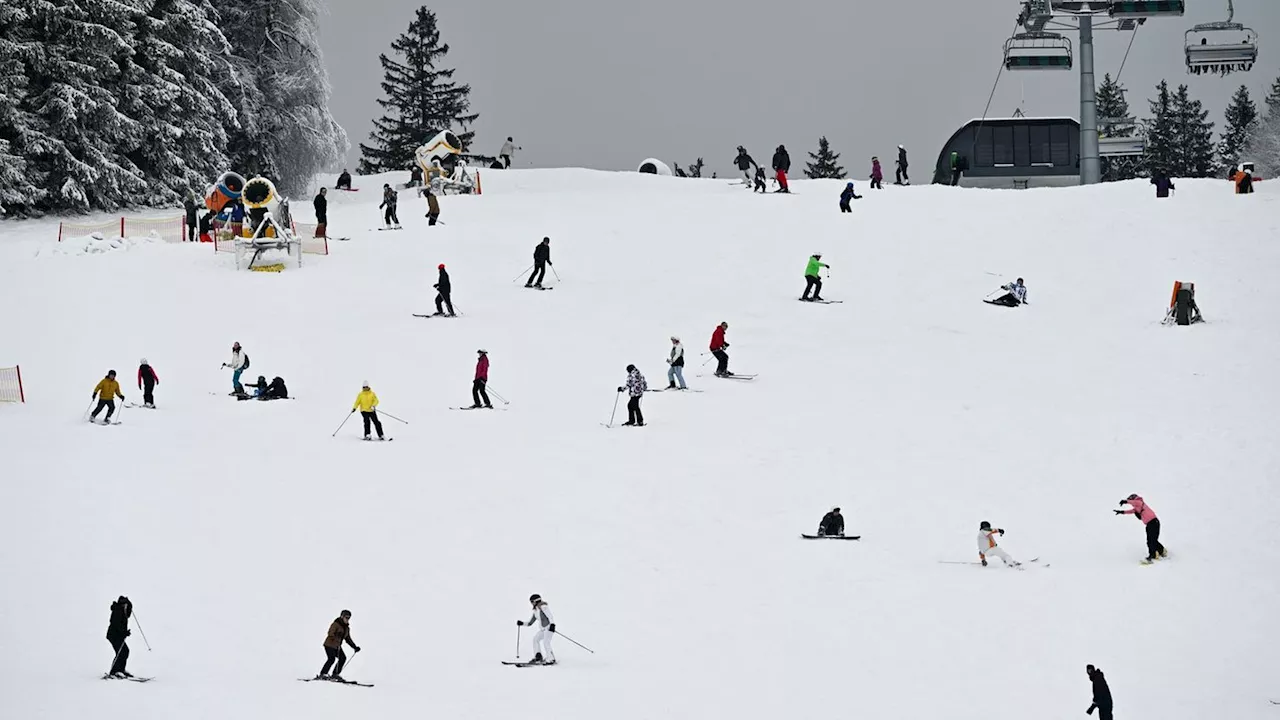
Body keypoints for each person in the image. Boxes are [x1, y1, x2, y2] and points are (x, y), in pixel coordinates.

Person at [1116, 493, 1165, 563]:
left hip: (1154, 523)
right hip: (1149, 524)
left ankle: (1153, 555)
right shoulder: (1137, 508)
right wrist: (1121, 512)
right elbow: (1130, 511)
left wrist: (1125, 501)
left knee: (1152, 540)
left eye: (1130, 500)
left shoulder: (1140, 502)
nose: (1131, 503)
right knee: (1151, 540)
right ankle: (1162, 551)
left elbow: (1135, 502)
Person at [320, 609, 360, 680]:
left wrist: (354, 647)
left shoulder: (347, 628)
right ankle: (323, 673)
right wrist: (336, 635)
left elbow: (348, 639)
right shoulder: (336, 624)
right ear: (342, 616)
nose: (347, 619)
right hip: (329, 644)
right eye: (346, 617)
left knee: (342, 658)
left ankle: (335, 674)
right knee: (331, 659)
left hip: (337, 646)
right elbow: (330, 633)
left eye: (349, 618)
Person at [517, 594, 556, 664]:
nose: (531, 603)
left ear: (536, 601)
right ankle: (538, 656)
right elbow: (530, 623)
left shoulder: (543, 607)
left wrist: (552, 625)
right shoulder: (535, 611)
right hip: (543, 629)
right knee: (535, 639)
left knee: (546, 642)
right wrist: (522, 623)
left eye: (532, 601)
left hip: (549, 628)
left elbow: (550, 616)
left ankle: (551, 659)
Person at [106, 595, 133, 677]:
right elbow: (117, 625)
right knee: (122, 652)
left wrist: (124, 633)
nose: (126, 606)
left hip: (118, 636)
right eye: (125, 604)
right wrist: (124, 633)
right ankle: (115, 672)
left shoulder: (123, 611)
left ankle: (121, 670)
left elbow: (129, 612)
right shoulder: (118, 611)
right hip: (113, 635)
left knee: (125, 651)